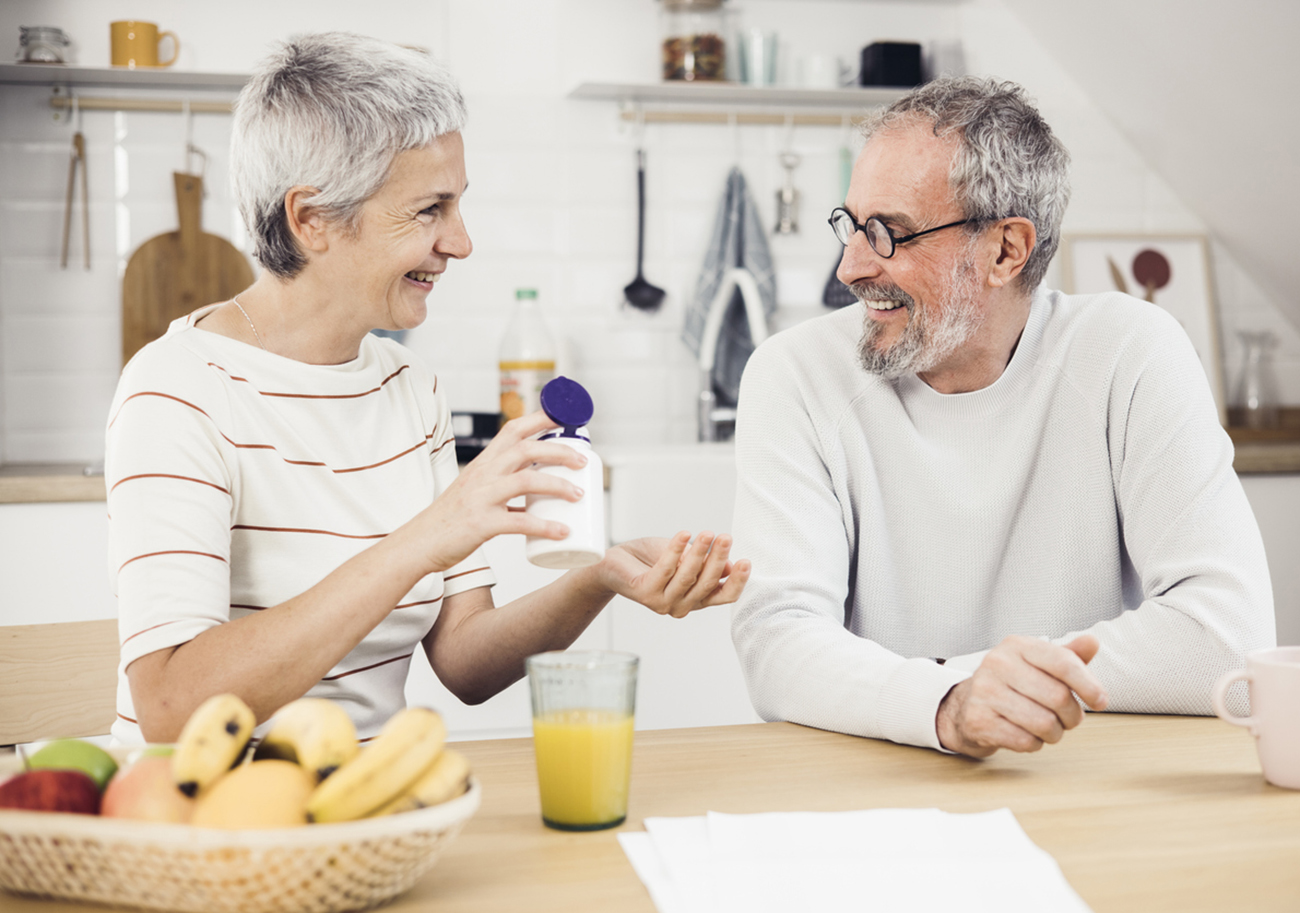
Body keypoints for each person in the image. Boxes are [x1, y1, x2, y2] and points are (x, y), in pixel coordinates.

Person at [106, 32, 749, 745]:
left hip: (372, 804)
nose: (461, 242)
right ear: (312, 218)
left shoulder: (409, 388)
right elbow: (169, 704)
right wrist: (428, 537)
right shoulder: (178, 389)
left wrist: (598, 575)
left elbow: (466, 662)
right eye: (428, 210)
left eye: (457, 205)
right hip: (204, 814)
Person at [729, 76, 1274, 759]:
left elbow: (1225, 637)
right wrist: (950, 705)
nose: (850, 266)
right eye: (850, 223)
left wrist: (957, 687)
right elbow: (777, 641)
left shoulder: (1129, 351)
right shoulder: (794, 373)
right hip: (875, 776)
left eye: (887, 233)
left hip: (1088, 777)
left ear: (1006, 250)